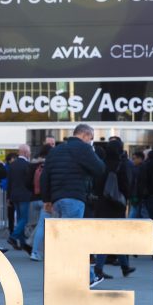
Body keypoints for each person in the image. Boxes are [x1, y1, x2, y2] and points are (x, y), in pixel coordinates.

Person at [39, 123, 105, 286]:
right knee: (74, 239)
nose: (91, 141)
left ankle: (60, 277)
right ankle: (88, 277)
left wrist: (47, 199)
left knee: (61, 240)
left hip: (57, 200)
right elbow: (100, 169)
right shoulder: (84, 148)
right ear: (84, 135)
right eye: (91, 137)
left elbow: (44, 176)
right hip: (74, 197)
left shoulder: (56, 150)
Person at [93, 139, 135, 279]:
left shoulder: (101, 164)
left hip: (102, 205)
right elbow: (126, 186)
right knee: (116, 235)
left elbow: (96, 185)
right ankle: (100, 267)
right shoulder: (121, 165)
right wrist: (126, 197)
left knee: (108, 236)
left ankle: (124, 266)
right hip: (117, 206)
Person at [6, 144, 34, 250]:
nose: (30, 153)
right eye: (29, 151)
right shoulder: (28, 165)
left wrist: (8, 197)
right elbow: (30, 182)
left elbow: (9, 182)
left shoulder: (12, 165)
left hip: (14, 195)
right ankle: (13, 237)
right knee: (24, 219)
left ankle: (22, 243)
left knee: (19, 219)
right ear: (26, 152)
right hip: (25, 195)